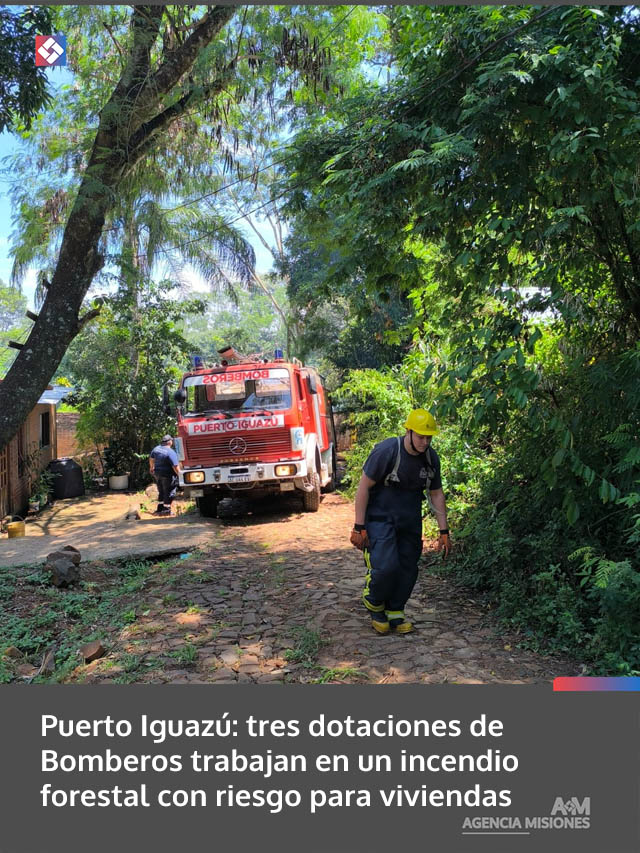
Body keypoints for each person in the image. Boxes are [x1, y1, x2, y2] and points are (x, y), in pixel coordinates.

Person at [350, 409, 451, 634]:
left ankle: (395, 610)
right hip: (380, 518)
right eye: (421, 437)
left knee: (408, 568)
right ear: (408, 431)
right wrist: (359, 526)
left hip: (410, 519)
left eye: (429, 438)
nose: (425, 442)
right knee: (385, 566)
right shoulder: (387, 451)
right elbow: (363, 487)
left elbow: (436, 493)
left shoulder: (430, 458)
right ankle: (375, 603)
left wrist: (444, 531)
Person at [149, 435, 180, 516]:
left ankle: (159, 509)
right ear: (169, 442)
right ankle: (166, 510)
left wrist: (151, 467)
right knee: (169, 492)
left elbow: (151, 459)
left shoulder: (156, 449)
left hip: (157, 474)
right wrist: (180, 475)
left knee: (161, 491)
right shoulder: (170, 452)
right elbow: (175, 466)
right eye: (171, 441)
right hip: (167, 475)